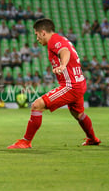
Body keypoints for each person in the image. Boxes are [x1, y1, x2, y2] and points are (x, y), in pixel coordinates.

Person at [8, 18, 101, 149]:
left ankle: (25, 141)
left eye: (37, 35)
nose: (37, 38)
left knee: (36, 105)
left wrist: (63, 65)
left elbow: (65, 52)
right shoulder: (61, 39)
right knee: (78, 114)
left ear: (43, 32)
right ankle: (92, 138)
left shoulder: (54, 41)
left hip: (71, 85)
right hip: (79, 82)